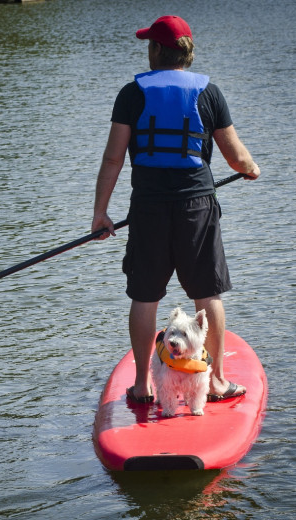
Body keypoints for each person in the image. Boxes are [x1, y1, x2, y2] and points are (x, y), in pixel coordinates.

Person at [91, 15, 260, 403]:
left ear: (154, 50)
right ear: (188, 53)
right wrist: (251, 168)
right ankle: (216, 381)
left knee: (144, 296)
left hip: (148, 210)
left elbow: (113, 159)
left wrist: (101, 213)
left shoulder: (131, 94)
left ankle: (141, 384)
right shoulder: (209, 93)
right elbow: (235, 157)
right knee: (208, 294)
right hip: (196, 208)